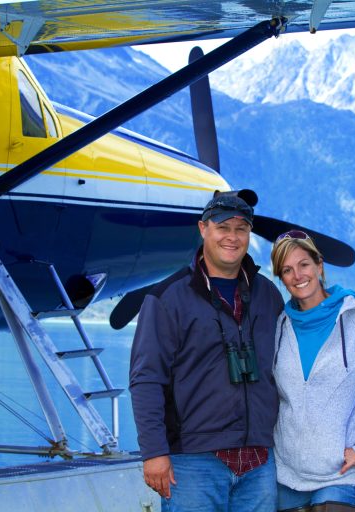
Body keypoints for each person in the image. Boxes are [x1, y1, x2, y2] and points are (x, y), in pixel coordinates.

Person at [129, 193, 284, 511]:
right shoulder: (166, 298)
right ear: (203, 229)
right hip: (193, 461)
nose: (232, 237)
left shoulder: (268, 294)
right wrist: (154, 452)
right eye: (223, 227)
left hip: (260, 461)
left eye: (241, 229)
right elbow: (146, 380)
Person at [270, 230, 355, 512]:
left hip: (343, 474)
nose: (297, 275)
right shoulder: (279, 326)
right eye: (287, 270)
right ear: (281, 278)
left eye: (304, 264)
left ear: (319, 266)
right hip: (287, 475)